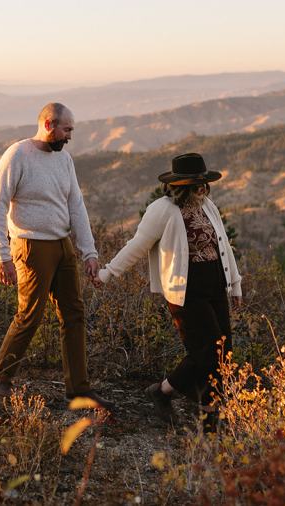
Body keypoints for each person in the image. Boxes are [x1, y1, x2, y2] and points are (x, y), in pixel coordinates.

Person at [97, 153, 242, 431]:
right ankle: (180, 402)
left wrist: (235, 284)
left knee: (224, 352)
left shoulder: (207, 206)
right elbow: (137, 245)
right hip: (185, 289)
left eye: (205, 184)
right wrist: (108, 272)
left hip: (216, 283)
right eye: (197, 185)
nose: (203, 189)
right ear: (182, 186)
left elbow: (223, 244)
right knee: (207, 352)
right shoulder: (162, 210)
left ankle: (193, 405)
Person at [0, 102, 111, 409]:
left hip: (62, 245)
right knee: (30, 314)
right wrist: (2, 255)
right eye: (66, 129)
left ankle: (78, 390)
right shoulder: (17, 155)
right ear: (49, 124)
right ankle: (0, 380)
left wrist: (89, 252)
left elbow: (76, 205)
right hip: (30, 246)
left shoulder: (64, 159)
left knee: (74, 314)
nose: (69, 136)